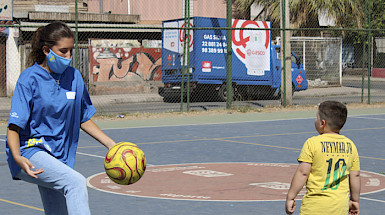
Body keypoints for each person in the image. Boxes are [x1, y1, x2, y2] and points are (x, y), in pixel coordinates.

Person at [6, 21, 116, 215]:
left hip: (59, 156)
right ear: (47, 50)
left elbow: (82, 116)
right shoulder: (29, 78)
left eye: (71, 50)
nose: (69, 56)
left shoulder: (74, 77)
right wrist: (17, 157)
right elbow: (14, 126)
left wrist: (112, 145)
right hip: (30, 152)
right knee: (75, 182)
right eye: (63, 51)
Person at [285, 101, 361, 215]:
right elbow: (355, 175)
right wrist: (355, 200)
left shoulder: (312, 143)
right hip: (339, 208)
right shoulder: (350, 145)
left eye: (317, 118)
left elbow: (303, 172)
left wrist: (291, 196)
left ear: (322, 123)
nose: (315, 120)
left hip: (314, 207)